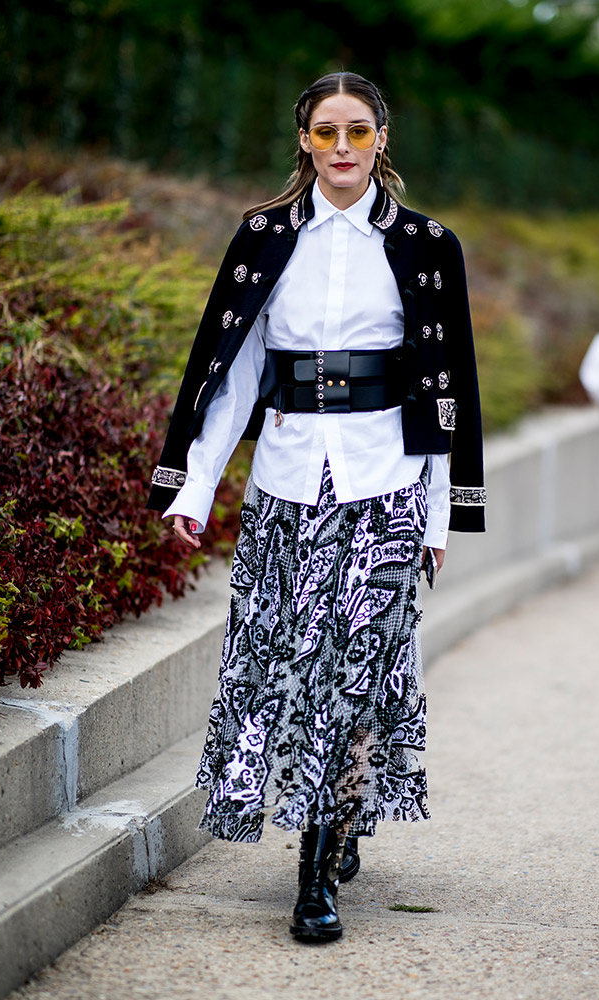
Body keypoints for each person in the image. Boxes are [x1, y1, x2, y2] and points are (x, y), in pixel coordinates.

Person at [146, 71, 486, 943]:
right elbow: (232, 377)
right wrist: (194, 484)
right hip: (289, 485)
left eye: (359, 132)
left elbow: (445, 393)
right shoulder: (263, 237)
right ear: (303, 139)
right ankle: (331, 827)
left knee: (357, 673)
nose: (342, 148)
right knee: (289, 669)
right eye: (326, 132)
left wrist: (440, 520)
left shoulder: (424, 244)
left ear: (382, 140)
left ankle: (316, 867)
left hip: (388, 486)